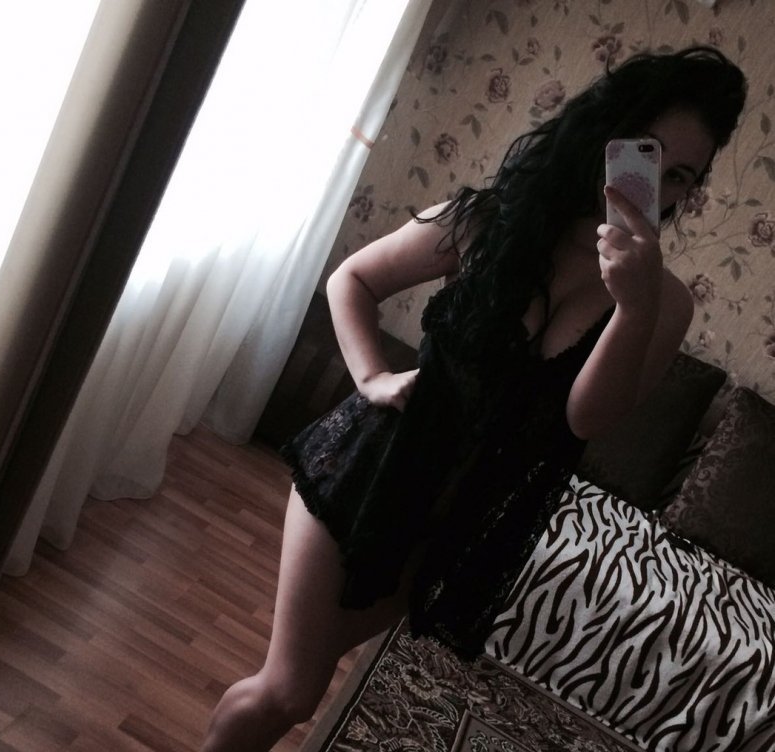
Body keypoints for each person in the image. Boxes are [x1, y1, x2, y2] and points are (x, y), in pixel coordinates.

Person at [200, 45, 746, 752]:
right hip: (371, 468)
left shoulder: (663, 303)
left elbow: (584, 417)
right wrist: (371, 377)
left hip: (454, 520)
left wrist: (632, 308)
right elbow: (352, 280)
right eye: (646, 154)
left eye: (679, 177)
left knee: (294, 680)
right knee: (290, 689)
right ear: (605, 135)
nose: (655, 187)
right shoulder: (494, 219)